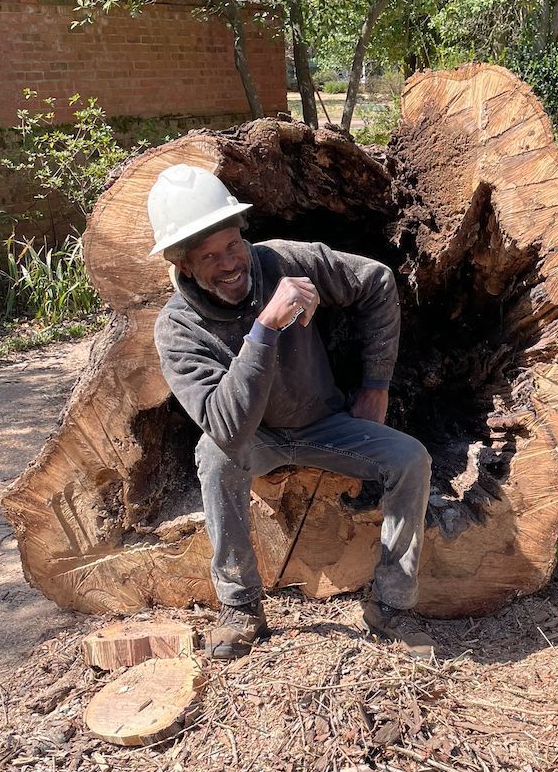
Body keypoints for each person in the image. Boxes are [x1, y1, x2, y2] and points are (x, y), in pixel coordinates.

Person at [147, 162, 435, 661]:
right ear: (184, 266)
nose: (231, 263)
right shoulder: (177, 328)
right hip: (251, 438)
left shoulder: (281, 261)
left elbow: (378, 282)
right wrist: (265, 328)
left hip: (324, 423)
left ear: (244, 234)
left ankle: (391, 604)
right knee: (214, 457)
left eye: (233, 244)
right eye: (209, 255)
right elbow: (228, 428)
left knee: (410, 460)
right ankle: (240, 607)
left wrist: (375, 386)